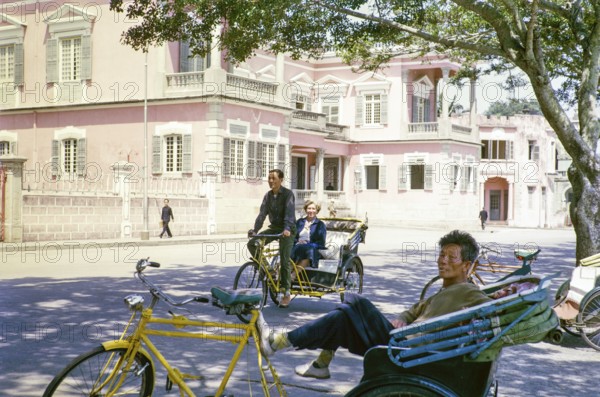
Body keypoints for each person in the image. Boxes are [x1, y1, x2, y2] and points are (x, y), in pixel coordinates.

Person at [256, 230, 491, 379]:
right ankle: (309, 358)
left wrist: (511, 292)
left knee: (355, 303)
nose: (443, 261)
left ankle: (286, 345)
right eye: (442, 255)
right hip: (404, 339)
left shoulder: (468, 292)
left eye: (451, 257)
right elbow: (414, 311)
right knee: (343, 316)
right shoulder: (446, 289)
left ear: (466, 265)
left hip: (408, 350)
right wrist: (403, 318)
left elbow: (492, 306)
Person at [248, 169, 296, 308]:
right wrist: (255, 230)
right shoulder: (268, 196)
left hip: (288, 229)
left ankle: (286, 292)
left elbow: (289, 214)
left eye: (273, 178)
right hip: (275, 227)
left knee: (284, 258)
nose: (270, 181)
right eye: (269, 178)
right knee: (253, 243)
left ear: (281, 180)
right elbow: (262, 214)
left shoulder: (288, 194)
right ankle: (269, 270)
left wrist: (287, 229)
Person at [291, 200, 327, 278]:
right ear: (306, 209)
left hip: (312, 251)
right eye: (309, 208)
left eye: (313, 209)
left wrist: (307, 243)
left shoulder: (320, 225)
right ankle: (281, 274)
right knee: (289, 249)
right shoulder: (300, 222)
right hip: (298, 247)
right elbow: (293, 237)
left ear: (317, 211)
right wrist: (298, 241)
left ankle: (293, 276)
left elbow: (321, 243)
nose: (311, 211)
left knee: (308, 251)